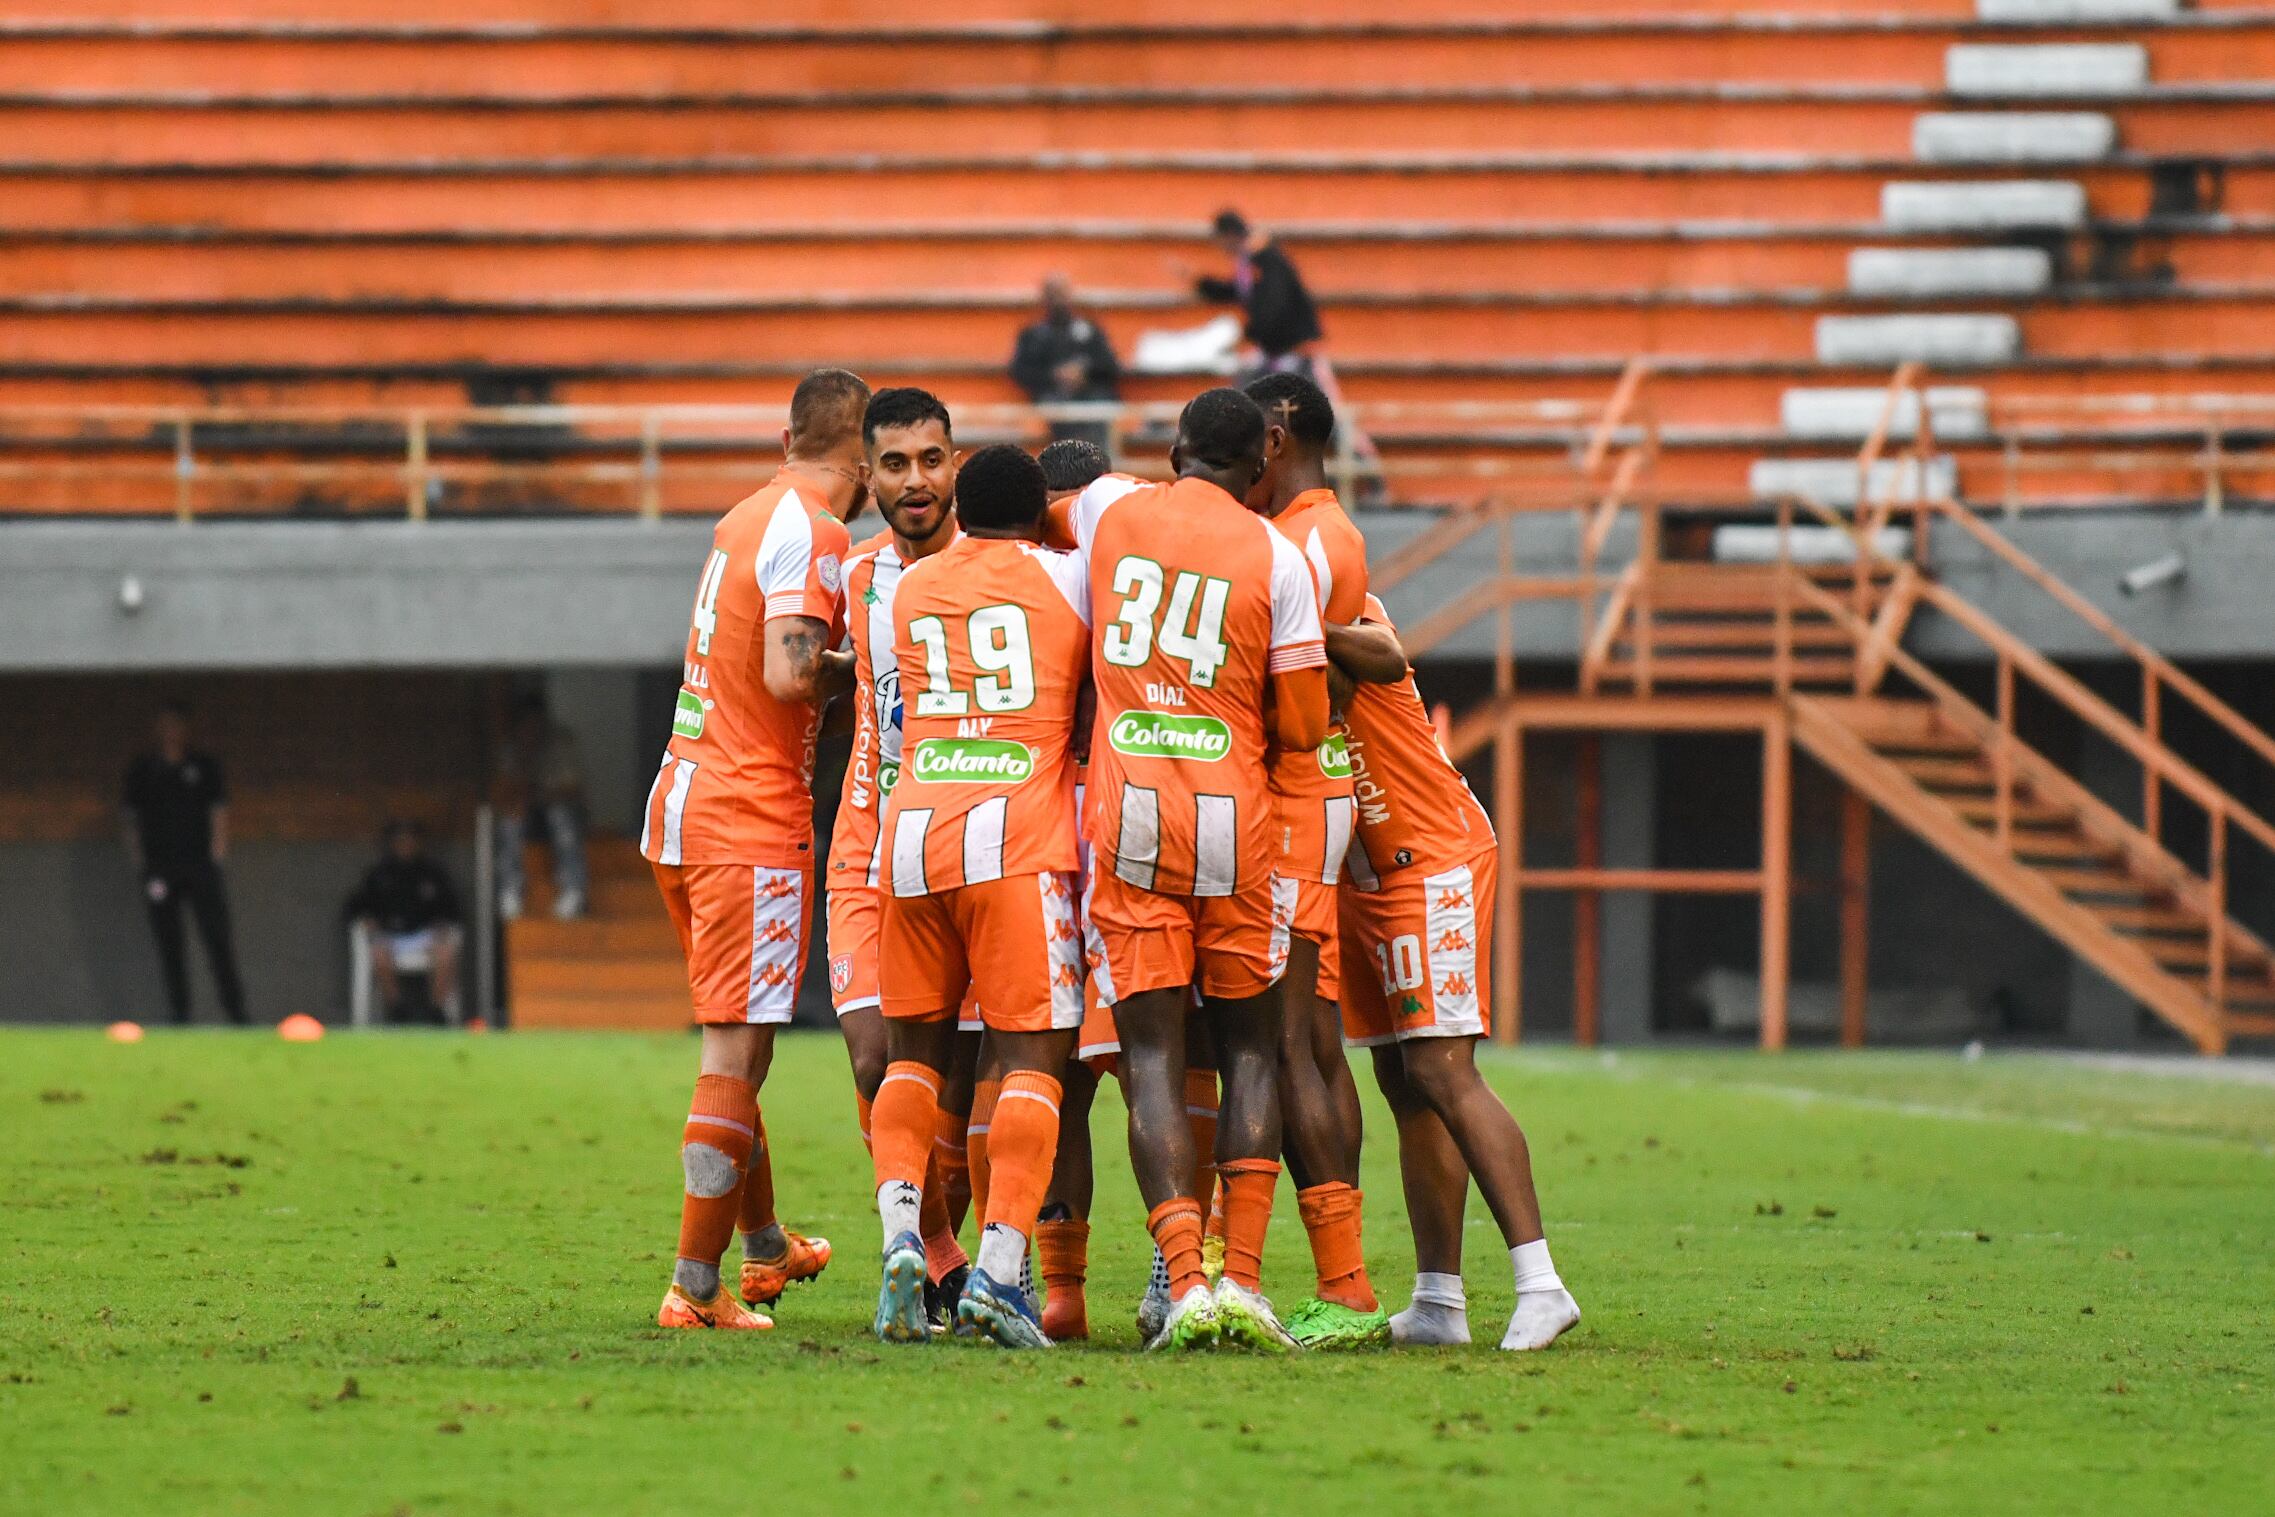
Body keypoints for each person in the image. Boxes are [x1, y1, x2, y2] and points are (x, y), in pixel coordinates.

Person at [1050, 387, 1331, 1351]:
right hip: (1233, 820)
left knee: (1154, 1061)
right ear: (1260, 464)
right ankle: (1242, 1282)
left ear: (1174, 450)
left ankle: (1181, 1285)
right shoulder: (1279, 554)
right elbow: (1300, 725)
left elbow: (1043, 499)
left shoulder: (1109, 509)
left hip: (1127, 813)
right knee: (1251, 1050)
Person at [641, 366, 870, 1331]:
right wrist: (871, 665)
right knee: (737, 1052)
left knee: (736, 1040)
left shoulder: (744, 515)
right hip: (749, 817)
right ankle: (694, 1289)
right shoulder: (816, 533)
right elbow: (787, 671)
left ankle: (765, 1243)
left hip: (683, 801)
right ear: (858, 456)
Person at [866, 444, 1094, 1349]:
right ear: (1039, 512)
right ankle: (1000, 1271)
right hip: (1015, 840)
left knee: (911, 1060)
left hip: (913, 831)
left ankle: (899, 1240)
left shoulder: (908, 587)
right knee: (1033, 1060)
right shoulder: (1067, 578)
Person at [1336, 593, 1582, 1353]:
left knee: (1443, 1068)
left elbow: (1383, 652)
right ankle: (1438, 1299)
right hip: (1361, 869)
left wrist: (1294, 620)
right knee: (1404, 1084)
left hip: (1427, 854)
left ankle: (1542, 1283)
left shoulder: (1321, 569)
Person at [1244, 369, 1406, 1349]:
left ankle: (1342, 1283)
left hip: (1298, 795)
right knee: (1296, 1035)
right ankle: (1328, 1273)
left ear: (1278, 433)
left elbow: (1314, 677)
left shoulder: (1310, 534)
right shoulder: (1307, 527)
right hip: (1302, 794)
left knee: (1294, 1036)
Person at [825, 386, 978, 1322]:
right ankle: (929, 1250)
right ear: (868, 475)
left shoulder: (1007, 564)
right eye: (894, 463)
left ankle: (981, 1260)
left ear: (955, 461)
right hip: (865, 846)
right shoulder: (856, 576)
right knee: (873, 1059)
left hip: (967, 848)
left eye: (930, 459)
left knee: (959, 1081)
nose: (915, 480)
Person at [120, 701, 248, 1026]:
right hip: (161, 869)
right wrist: (142, 863)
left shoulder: (203, 766)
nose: (170, 732)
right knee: (169, 942)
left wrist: (217, 854)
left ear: (186, 729)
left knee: (217, 939)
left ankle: (236, 1012)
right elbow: (131, 818)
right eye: (164, 725)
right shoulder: (143, 769)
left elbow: (218, 811)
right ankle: (180, 1014)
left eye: (176, 725)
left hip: (200, 866)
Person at [344, 820, 463, 1022]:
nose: (406, 845)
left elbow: (452, 910)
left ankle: (437, 1013)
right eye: (401, 841)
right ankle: (397, 1011)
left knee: (445, 952)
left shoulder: (432, 873)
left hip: (423, 935)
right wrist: (368, 920)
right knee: (379, 952)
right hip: (390, 935)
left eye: (410, 841)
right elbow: (355, 907)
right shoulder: (379, 874)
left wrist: (441, 925)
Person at [492, 694, 588, 921]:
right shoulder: (511, 749)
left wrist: (540, 794)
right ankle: (511, 890)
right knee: (510, 821)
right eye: (525, 723)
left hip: (558, 810)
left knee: (561, 817)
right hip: (526, 814)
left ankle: (573, 889)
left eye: (534, 722)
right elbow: (503, 791)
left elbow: (572, 789)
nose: (530, 729)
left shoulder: (560, 744)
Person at [1009, 277, 1121, 446]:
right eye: (1053, 295)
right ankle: (1067, 460)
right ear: (1044, 299)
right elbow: (1019, 371)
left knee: (1102, 406)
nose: (1058, 300)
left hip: (1091, 394)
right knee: (1056, 408)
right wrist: (1054, 375)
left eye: (1062, 294)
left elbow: (1111, 366)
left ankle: (1100, 460)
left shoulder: (1090, 330)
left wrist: (1085, 372)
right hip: (1052, 395)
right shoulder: (1033, 335)